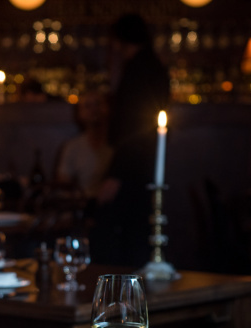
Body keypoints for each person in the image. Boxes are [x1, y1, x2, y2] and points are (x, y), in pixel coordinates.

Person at [93, 13, 170, 267]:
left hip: (133, 168)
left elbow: (135, 127)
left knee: (122, 238)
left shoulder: (139, 69)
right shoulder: (151, 66)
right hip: (142, 164)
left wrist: (116, 175)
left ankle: (122, 288)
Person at [55, 90, 113, 197]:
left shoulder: (120, 145)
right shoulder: (72, 147)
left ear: (107, 107)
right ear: (79, 114)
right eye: (87, 106)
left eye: (98, 104)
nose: (94, 110)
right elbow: (63, 186)